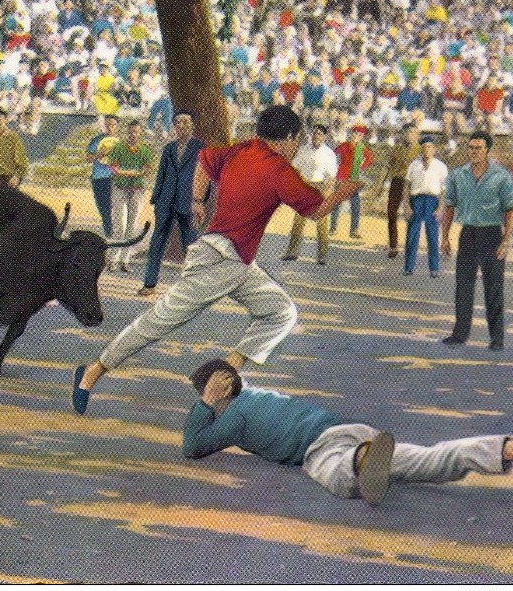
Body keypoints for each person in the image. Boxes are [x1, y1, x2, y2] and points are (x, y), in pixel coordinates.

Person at [72, 106, 360, 414]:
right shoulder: (279, 170)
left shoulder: (242, 149)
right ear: (288, 138)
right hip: (219, 260)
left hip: (239, 263)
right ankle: (92, 372)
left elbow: (204, 161)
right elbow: (316, 212)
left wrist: (197, 199)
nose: (296, 147)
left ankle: (225, 371)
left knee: (281, 312)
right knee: (157, 322)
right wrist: (344, 193)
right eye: (296, 141)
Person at [182, 360, 513, 506]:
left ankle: (361, 462)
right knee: (429, 460)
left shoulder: (233, 418)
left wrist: (204, 403)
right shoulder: (260, 394)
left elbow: (193, 447)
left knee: (337, 479)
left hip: (321, 448)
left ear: (218, 394)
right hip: (347, 429)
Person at [441, 130, 513, 351]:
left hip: (492, 235)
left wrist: (505, 241)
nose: (474, 152)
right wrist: (444, 237)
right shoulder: (458, 175)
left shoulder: (501, 176)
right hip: (468, 235)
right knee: (463, 285)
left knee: (493, 287)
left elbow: (511, 210)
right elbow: (449, 208)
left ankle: (497, 339)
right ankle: (459, 333)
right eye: (471, 148)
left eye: (479, 148)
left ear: (487, 150)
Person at [140, 112, 204, 295]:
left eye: (186, 121)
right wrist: (156, 198)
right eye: (178, 122)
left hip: (188, 202)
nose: (181, 125)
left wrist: (199, 201)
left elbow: (204, 176)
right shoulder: (169, 148)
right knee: (157, 243)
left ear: (192, 125)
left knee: (191, 246)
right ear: (174, 126)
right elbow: (161, 173)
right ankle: (149, 284)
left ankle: (195, 288)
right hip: (165, 201)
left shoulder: (201, 148)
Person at [281, 122, 337, 265]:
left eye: (319, 134)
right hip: (305, 185)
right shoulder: (303, 150)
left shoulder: (329, 154)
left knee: (321, 222)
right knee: (298, 221)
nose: (316, 136)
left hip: (320, 186)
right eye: (314, 133)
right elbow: (295, 168)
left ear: (324, 137)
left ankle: (322, 255)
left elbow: (331, 176)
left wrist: (327, 192)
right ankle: (292, 251)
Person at [107, 119, 156, 272]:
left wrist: (134, 173)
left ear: (140, 133)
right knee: (119, 225)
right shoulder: (119, 148)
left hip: (136, 189)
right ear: (126, 132)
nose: (133, 134)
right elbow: (113, 168)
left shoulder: (144, 150)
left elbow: (147, 169)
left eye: (136, 131)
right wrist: (130, 173)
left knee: (131, 226)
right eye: (130, 131)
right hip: (120, 188)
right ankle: (113, 258)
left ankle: (125, 260)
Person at [402, 135, 448, 278]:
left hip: (432, 200)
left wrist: (440, 208)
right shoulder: (414, 165)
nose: (427, 150)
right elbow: (407, 187)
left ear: (434, 149)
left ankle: (434, 268)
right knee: (412, 235)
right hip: (417, 200)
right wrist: (407, 206)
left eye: (429, 147)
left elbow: (444, 190)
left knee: (432, 235)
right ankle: (408, 267)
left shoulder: (440, 166)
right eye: (424, 147)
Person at [380, 122, 420, 259]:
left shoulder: (421, 150)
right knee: (391, 213)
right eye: (408, 133)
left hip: (414, 184)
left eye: (414, 133)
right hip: (397, 181)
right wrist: (380, 184)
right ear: (403, 134)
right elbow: (387, 166)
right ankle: (393, 245)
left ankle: (411, 246)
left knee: (413, 216)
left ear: (417, 135)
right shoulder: (396, 148)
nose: (411, 136)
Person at [330, 125, 373, 239]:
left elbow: (370, 159)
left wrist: (361, 168)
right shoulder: (344, 145)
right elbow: (333, 155)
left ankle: (354, 230)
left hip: (353, 179)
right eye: (355, 133)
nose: (357, 136)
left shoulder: (361, 148)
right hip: (342, 177)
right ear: (352, 134)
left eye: (360, 135)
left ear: (362, 137)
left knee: (355, 205)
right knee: (336, 204)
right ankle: (333, 228)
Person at [86, 115, 119, 238]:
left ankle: (116, 233)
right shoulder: (97, 140)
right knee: (103, 207)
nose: (110, 127)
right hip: (99, 178)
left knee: (116, 207)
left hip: (116, 178)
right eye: (108, 125)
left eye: (113, 125)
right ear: (104, 126)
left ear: (117, 126)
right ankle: (109, 234)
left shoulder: (121, 143)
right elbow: (89, 158)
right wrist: (100, 153)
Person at [0, 108, 28, 187]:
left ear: (6, 121)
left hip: (8, 178)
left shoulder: (13, 138)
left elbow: (22, 161)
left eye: (0, 120)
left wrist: (17, 176)